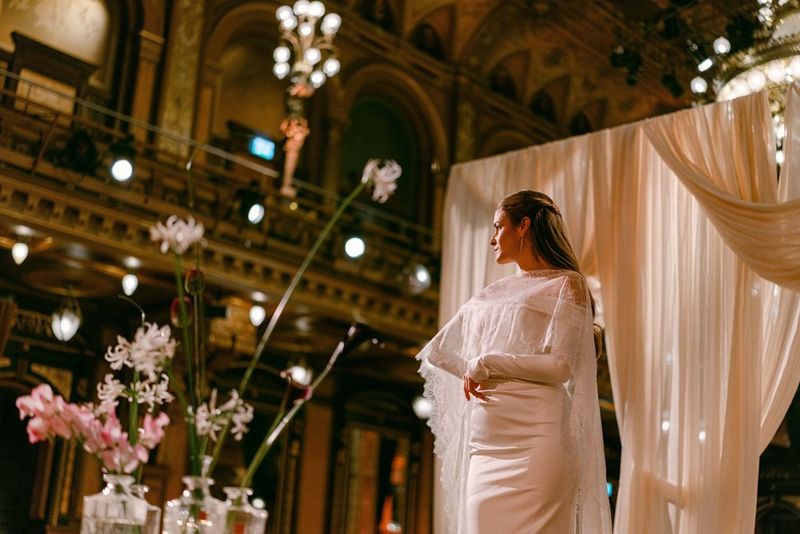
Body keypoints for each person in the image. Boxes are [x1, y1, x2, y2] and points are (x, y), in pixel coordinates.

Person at [417, 190, 612, 533]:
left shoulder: (568, 285)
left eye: (498, 227)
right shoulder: (491, 294)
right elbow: (437, 351)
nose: (492, 239)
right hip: (487, 450)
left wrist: (489, 361)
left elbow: (562, 367)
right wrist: (472, 368)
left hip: (539, 443)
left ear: (523, 226)